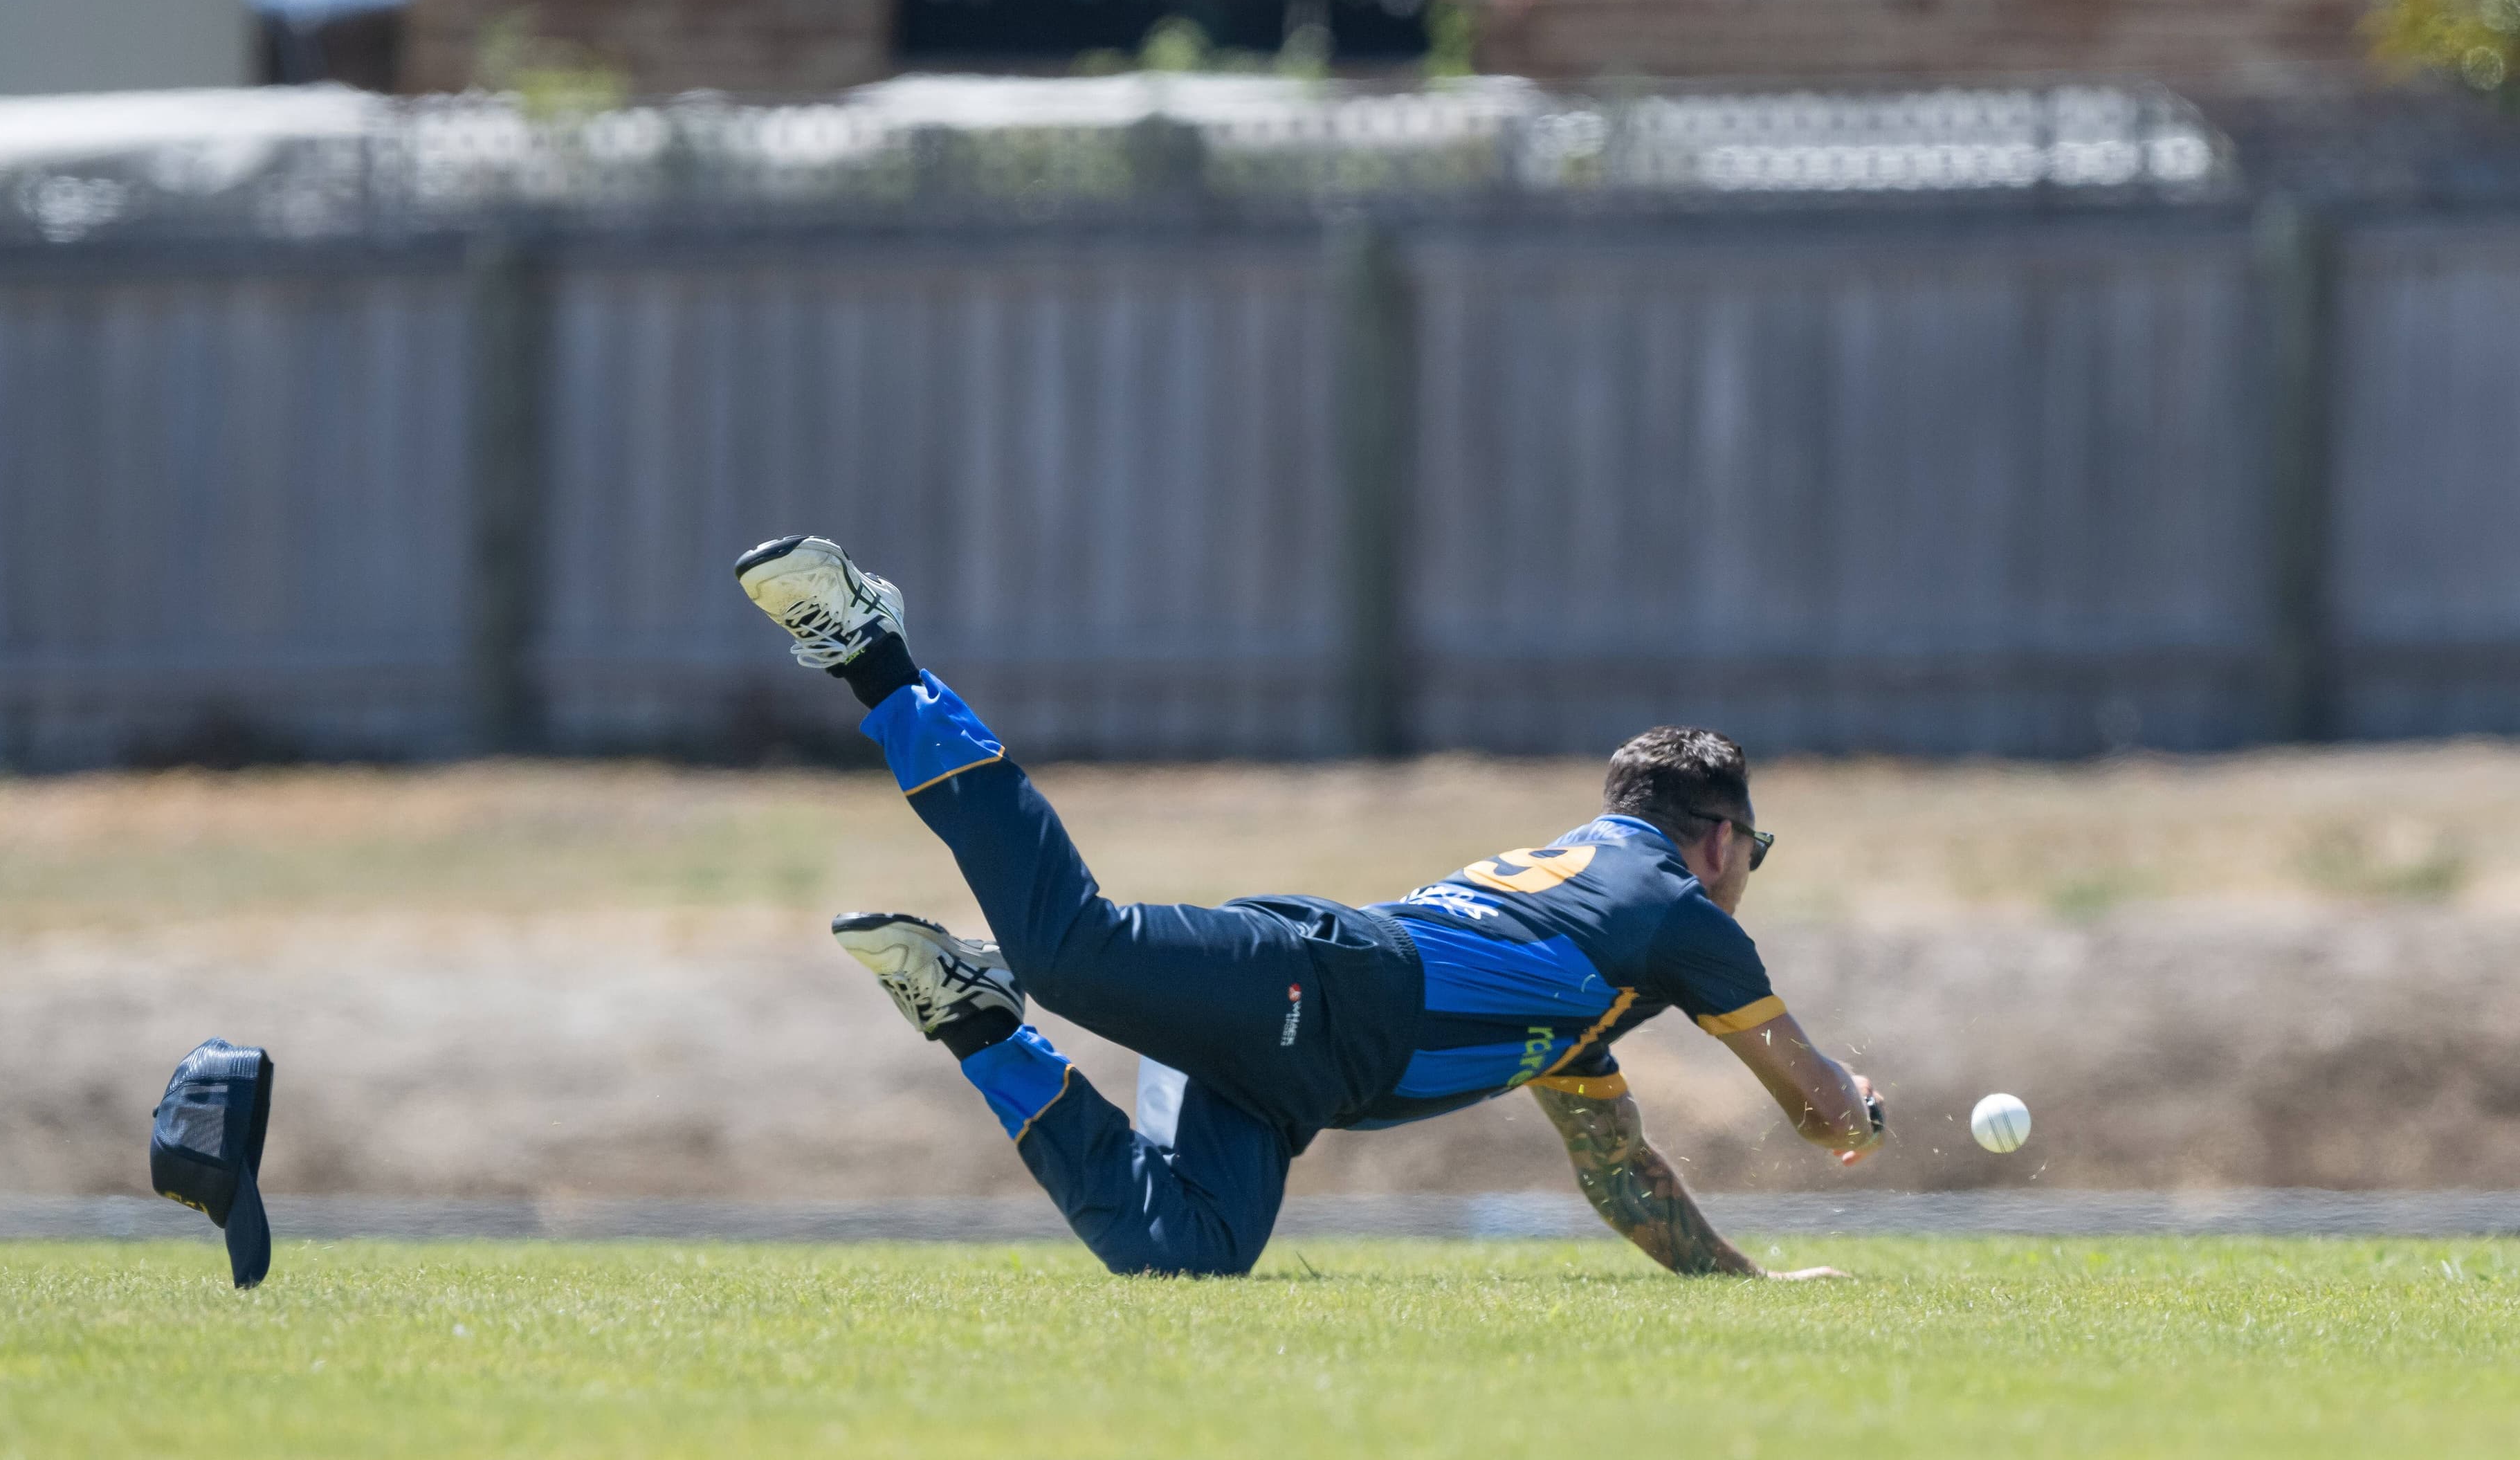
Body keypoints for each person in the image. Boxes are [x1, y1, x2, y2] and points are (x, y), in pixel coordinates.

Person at [736, 535, 1886, 1280]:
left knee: (1179, 1255)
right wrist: (1860, 1110)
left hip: (1294, 1069)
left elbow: (1617, 1165)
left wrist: (1745, 1290)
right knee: (1072, 951)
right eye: (1755, 850)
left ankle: (980, 1019)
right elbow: (1820, 1110)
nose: (1745, 872)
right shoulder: (1676, 913)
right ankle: (876, 653)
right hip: (1321, 988)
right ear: (1722, 837)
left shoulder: (1591, 957)